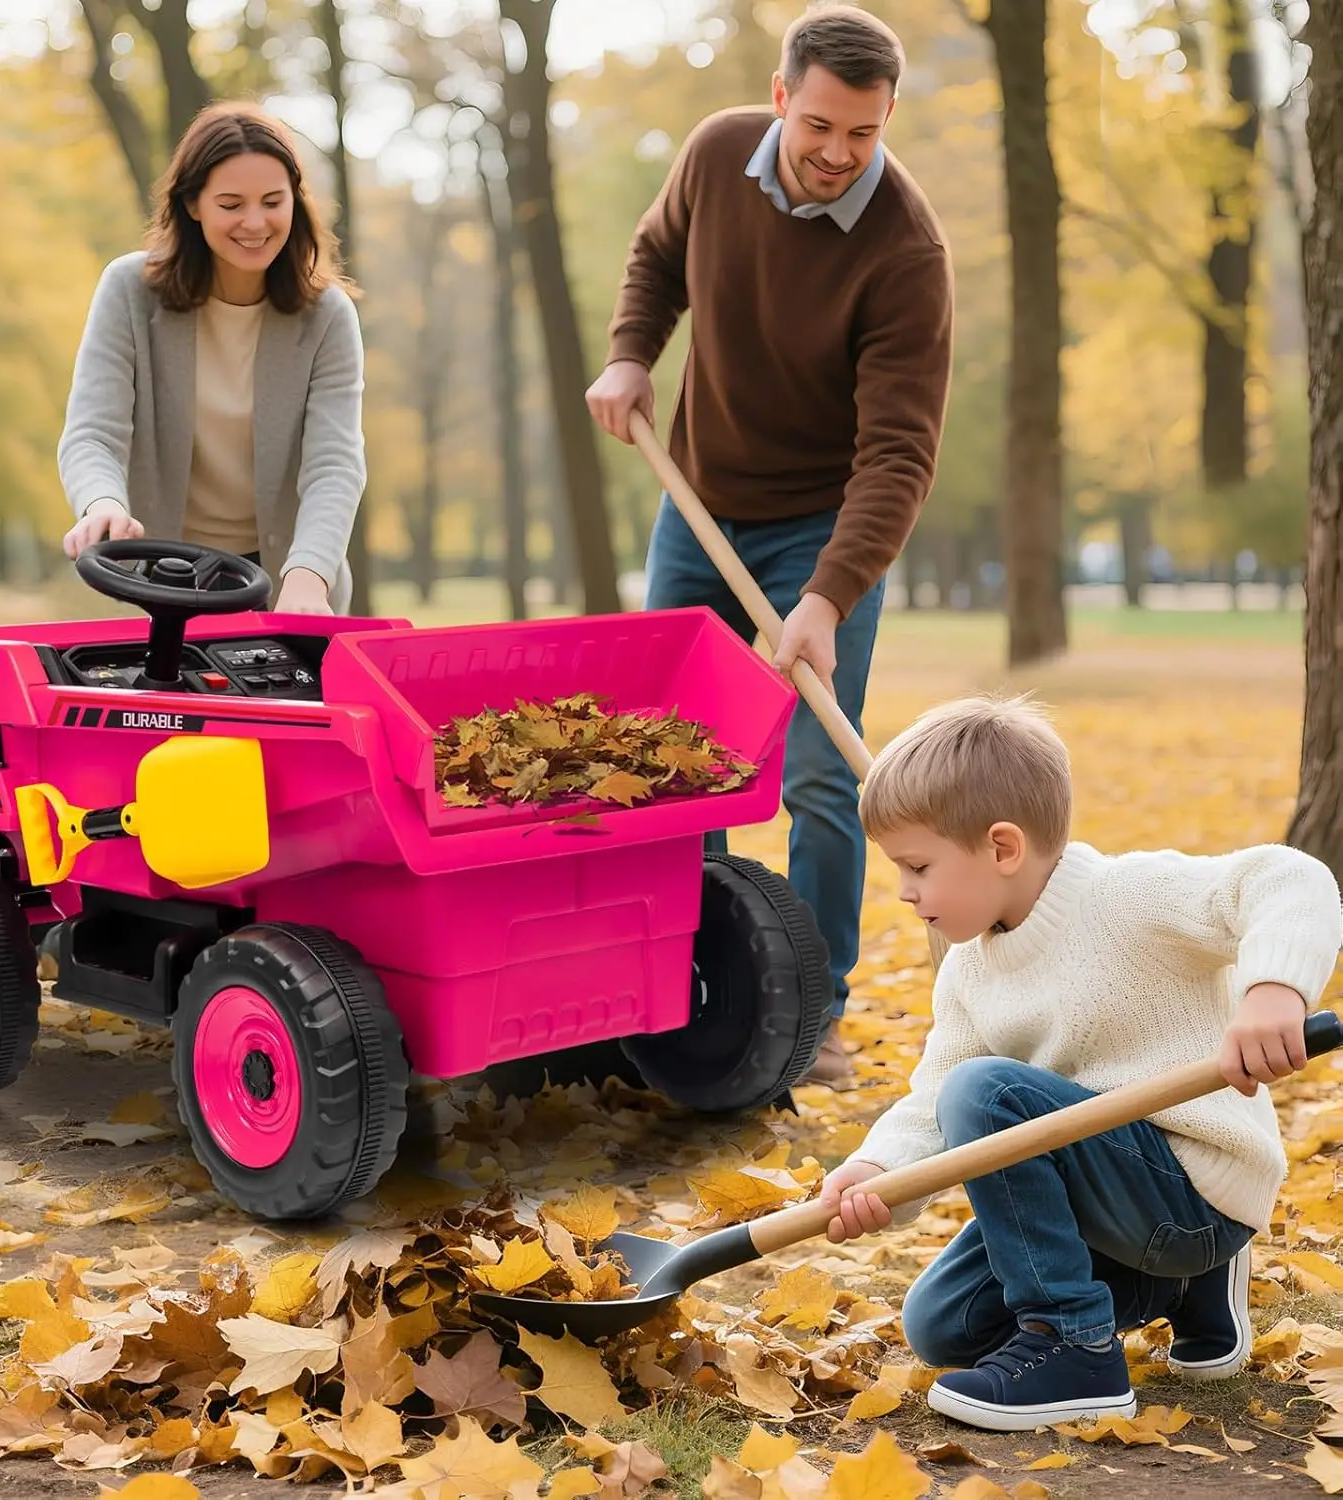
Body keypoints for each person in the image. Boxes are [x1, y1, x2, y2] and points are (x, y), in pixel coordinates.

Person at [585, 4, 954, 1083]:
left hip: (822, 530)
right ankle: (672, 977)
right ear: (782, 96)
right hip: (695, 500)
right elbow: (657, 256)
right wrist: (630, 356)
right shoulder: (710, 156)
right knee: (663, 758)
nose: (841, 154)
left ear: (888, 121)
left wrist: (829, 597)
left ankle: (815, 1008)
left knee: (818, 779)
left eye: (867, 133)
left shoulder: (905, 251)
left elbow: (899, 456)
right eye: (823, 125)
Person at [818, 696, 1343, 1432]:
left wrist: (1273, 989)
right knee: (942, 1324)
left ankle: (1076, 1345)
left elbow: (1290, 879)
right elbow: (934, 1094)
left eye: (918, 866)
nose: (903, 890)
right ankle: (1185, 1292)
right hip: (1103, 1196)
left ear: (1003, 848)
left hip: (1193, 1190)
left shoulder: (1129, 897)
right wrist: (879, 1174)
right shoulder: (970, 970)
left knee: (988, 1092)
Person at [57, 101, 365, 614]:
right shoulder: (129, 291)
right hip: (159, 577)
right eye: (230, 204)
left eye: (272, 201)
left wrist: (310, 576)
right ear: (193, 204)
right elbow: (93, 432)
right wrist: (102, 504)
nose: (254, 222)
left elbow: (334, 464)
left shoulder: (327, 315)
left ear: (295, 200)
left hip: (291, 586)